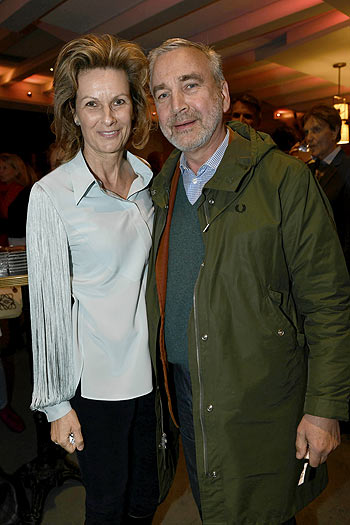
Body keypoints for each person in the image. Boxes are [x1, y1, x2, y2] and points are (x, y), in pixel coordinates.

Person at [146, 38, 350, 524]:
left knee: (266, 512)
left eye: (189, 85)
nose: (177, 107)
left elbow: (328, 302)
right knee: (214, 509)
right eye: (162, 94)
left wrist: (324, 409)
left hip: (262, 396)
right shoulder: (159, 190)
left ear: (221, 93)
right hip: (188, 394)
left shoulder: (284, 180)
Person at [26, 34, 160, 524]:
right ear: (74, 114)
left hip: (151, 378)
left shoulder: (148, 180)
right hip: (96, 385)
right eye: (93, 104)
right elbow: (46, 308)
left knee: (146, 499)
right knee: (106, 508)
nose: (108, 117)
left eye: (119, 101)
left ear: (135, 108)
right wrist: (57, 404)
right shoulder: (51, 195)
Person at [302, 105, 350, 270]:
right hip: (311, 263)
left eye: (316, 130)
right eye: (307, 132)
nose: (309, 138)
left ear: (335, 131)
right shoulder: (307, 170)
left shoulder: (347, 168)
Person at [0, 153, 37, 246]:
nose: (1, 171)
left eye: (5, 168)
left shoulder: (24, 192)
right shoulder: (2, 192)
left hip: (19, 242)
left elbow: (21, 222)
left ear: (16, 171)